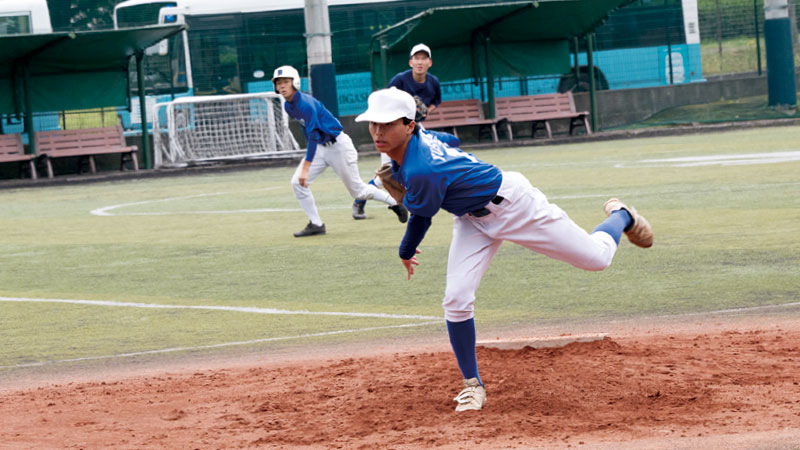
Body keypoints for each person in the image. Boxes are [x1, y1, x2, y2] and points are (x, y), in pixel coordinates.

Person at [354, 88, 653, 412]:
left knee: (597, 259)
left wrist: (405, 251)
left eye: (388, 124)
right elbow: (451, 141)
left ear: (409, 125)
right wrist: (449, 163)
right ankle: (472, 386)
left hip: (515, 206)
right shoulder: (417, 141)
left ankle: (621, 215)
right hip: (471, 220)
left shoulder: (422, 170)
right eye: (373, 123)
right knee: (456, 299)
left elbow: (421, 219)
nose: (378, 132)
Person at [272, 65, 408, 237]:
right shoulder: (288, 106)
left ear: (295, 82)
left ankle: (395, 203)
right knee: (297, 183)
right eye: (279, 83)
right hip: (320, 147)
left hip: (339, 147)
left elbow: (312, 134)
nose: (282, 86)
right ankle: (316, 224)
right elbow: (310, 134)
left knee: (358, 191)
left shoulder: (305, 104)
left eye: (286, 81)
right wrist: (307, 163)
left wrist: (306, 167)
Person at [352, 43, 444, 220]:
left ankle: (424, 198)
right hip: (394, 130)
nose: (420, 62)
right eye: (416, 58)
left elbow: (436, 102)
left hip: (415, 127)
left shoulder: (433, 82)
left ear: (430, 62)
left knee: (430, 158)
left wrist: (426, 111)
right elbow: (386, 100)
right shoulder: (400, 80)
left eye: (424, 58)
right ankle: (360, 200)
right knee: (388, 172)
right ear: (410, 62)